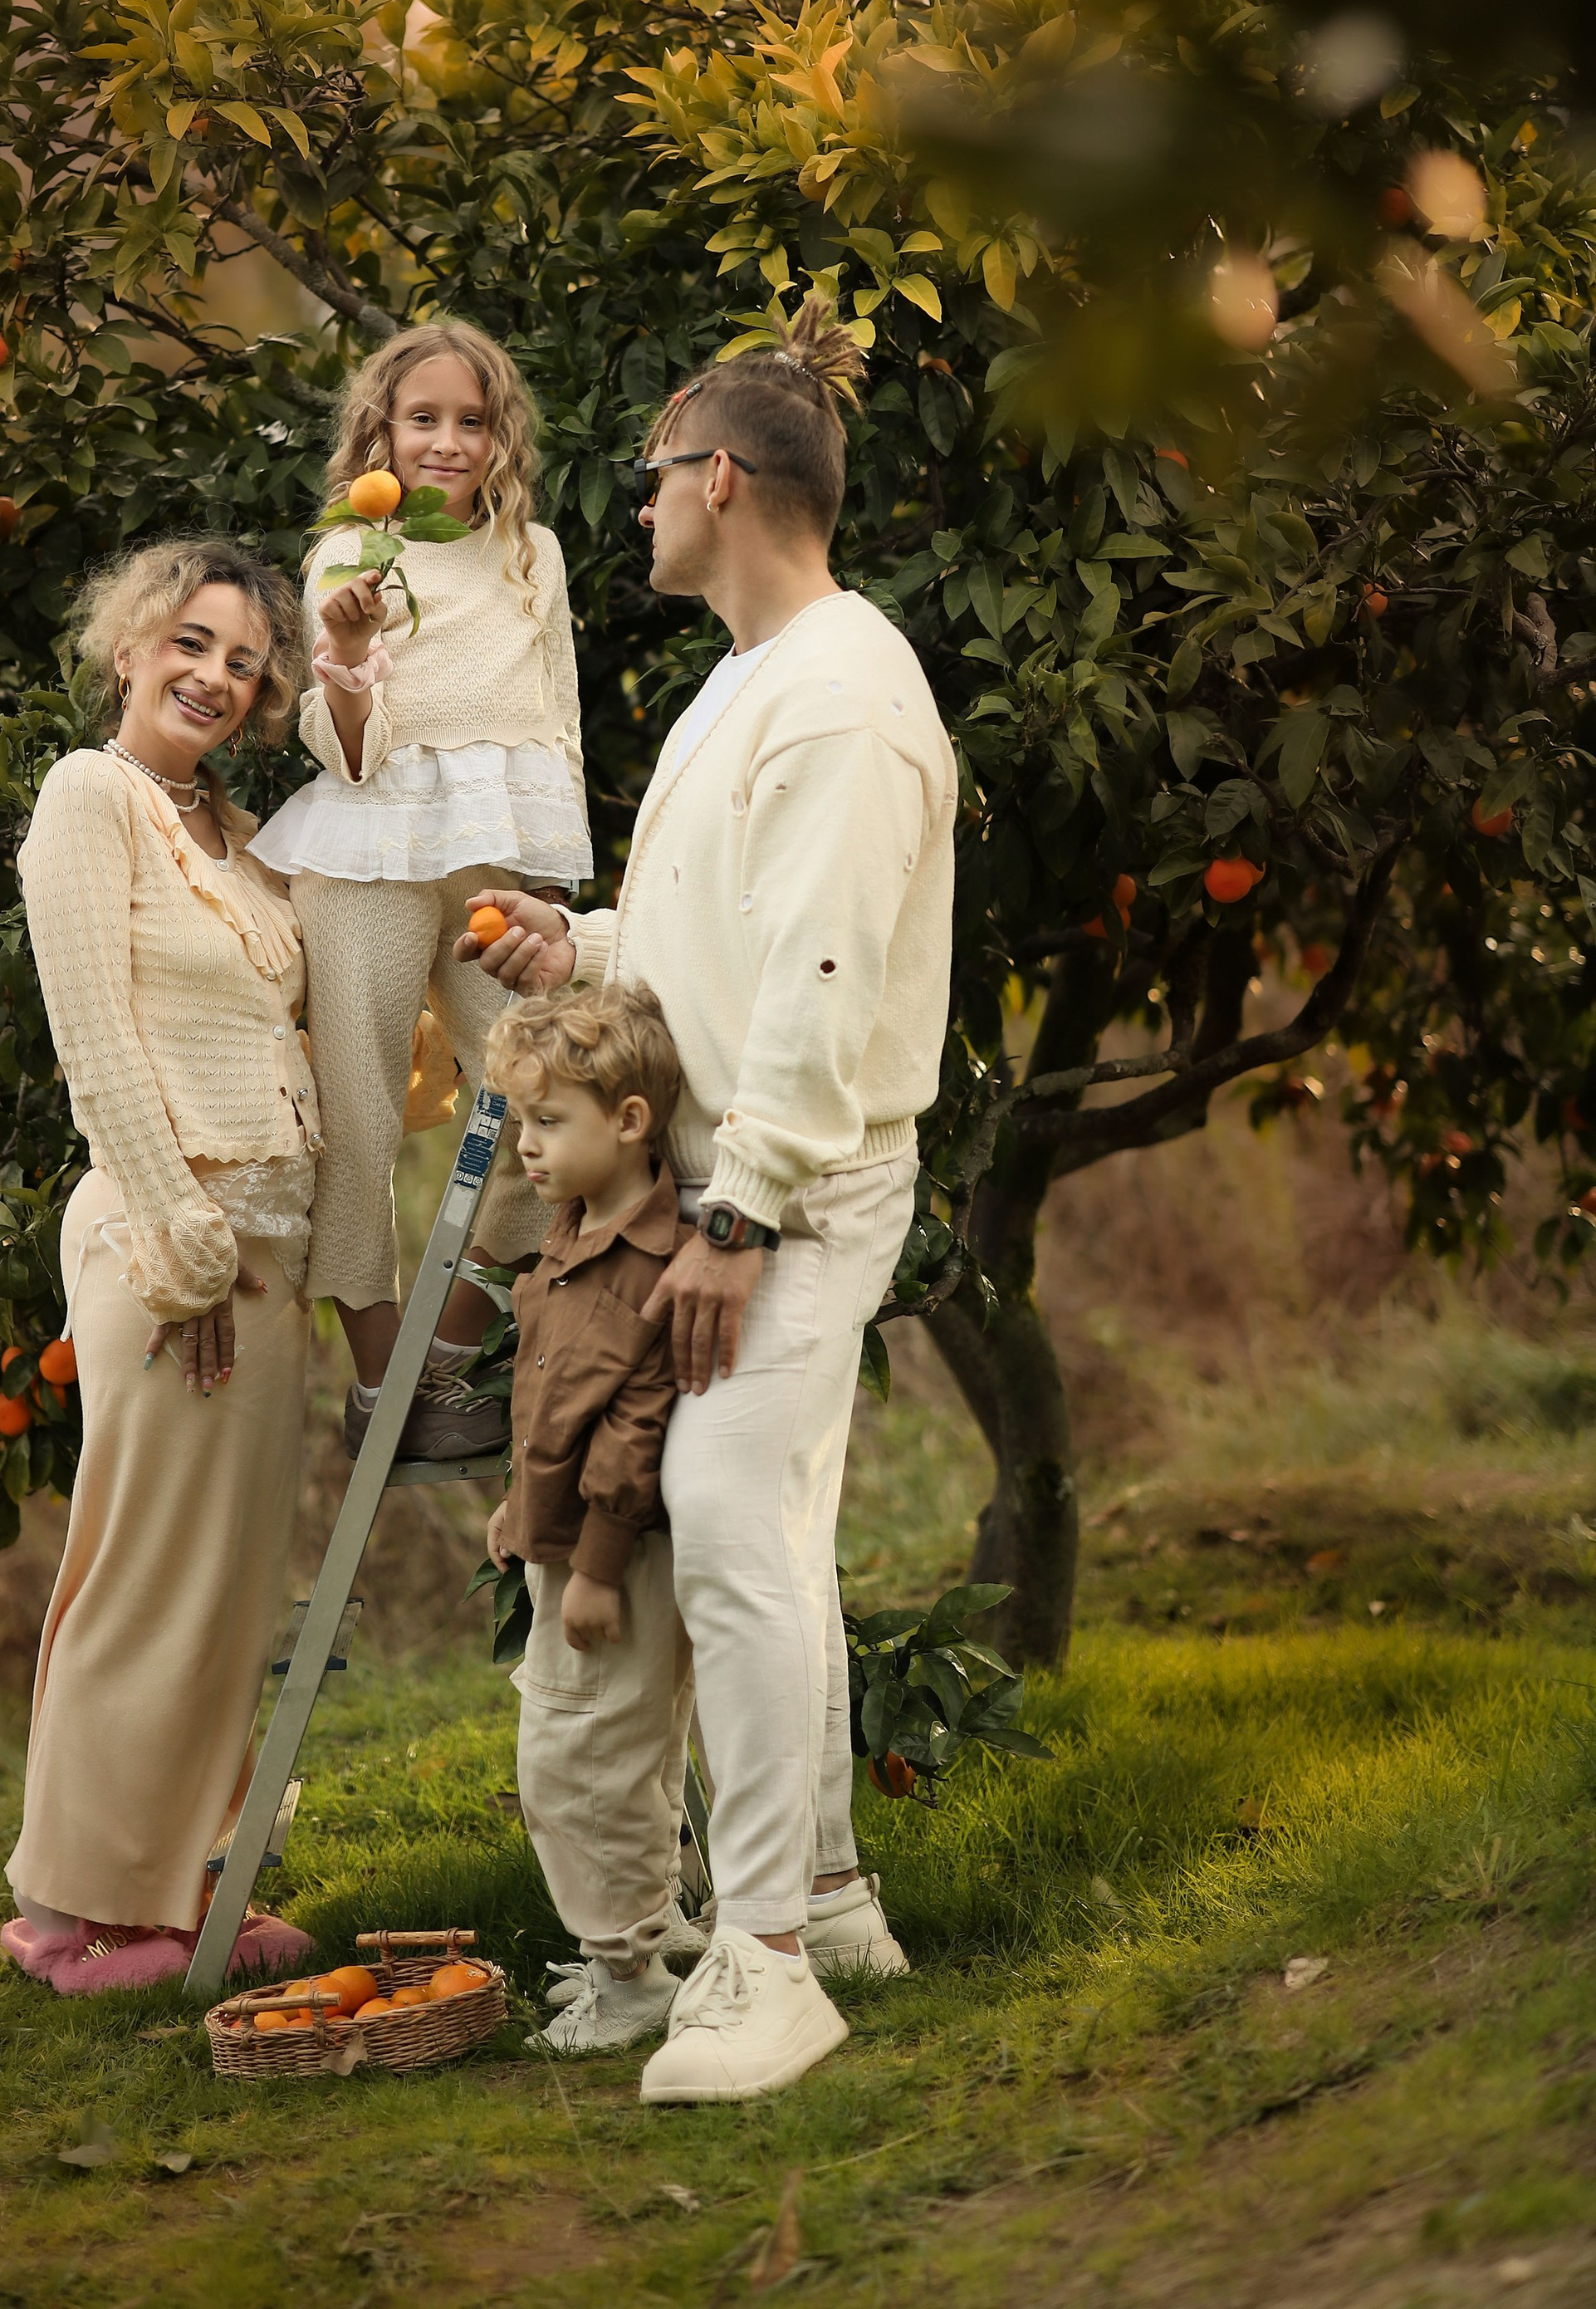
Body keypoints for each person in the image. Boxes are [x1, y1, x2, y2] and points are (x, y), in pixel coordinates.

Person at [458, 304, 957, 2101]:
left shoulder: (836, 691)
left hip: (797, 1181)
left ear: (721, 479)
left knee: (725, 1503)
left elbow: (820, 972)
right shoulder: (745, 679)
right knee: (764, 1526)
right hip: (744, 1164)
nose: (635, 510)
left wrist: (737, 1217)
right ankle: (821, 1900)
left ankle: (754, 1964)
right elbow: (715, 939)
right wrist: (571, 947)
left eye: (653, 479)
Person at [0, 535, 324, 1998]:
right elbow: (96, 1040)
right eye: (191, 643)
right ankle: (79, 1911)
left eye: (245, 662)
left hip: (268, 1252)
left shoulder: (241, 838)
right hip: (168, 1244)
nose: (214, 676)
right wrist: (186, 1247)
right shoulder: (94, 801)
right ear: (131, 644)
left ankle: (184, 1880)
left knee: (226, 1589)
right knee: (142, 1575)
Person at [250, 318, 592, 1460]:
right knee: (356, 1114)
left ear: (502, 438)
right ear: (382, 434)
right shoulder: (352, 553)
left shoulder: (532, 554)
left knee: (554, 1085)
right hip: (372, 851)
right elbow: (347, 750)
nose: (448, 441)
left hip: (496, 858)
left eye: (472, 421)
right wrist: (345, 658)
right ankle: (375, 1371)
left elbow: (560, 713)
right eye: (423, 420)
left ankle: (445, 1358)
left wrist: (558, 875)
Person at [480, 983, 697, 2057]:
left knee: (580, 1758)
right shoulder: (576, 1231)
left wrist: (598, 1565)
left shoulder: (650, 1265)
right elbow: (552, 1401)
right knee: (609, 1741)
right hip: (560, 1544)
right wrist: (521, 1512)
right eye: (524, 1121)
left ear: (629, 1122)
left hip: (604, 1561)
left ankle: (629, 1971)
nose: (527, 1146)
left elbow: (631, 1427)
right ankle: (645, 1936)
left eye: (548, 1121)